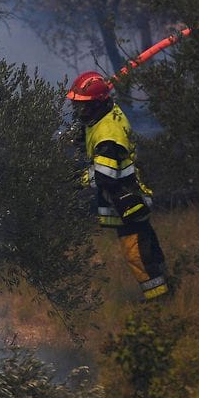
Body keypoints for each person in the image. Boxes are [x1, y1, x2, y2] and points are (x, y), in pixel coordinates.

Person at [66, 71, 169, 301]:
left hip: (128, 201)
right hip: (128, 197)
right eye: (78, 106)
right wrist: (76, 137)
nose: (80, 111)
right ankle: (166, 287)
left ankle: (159, 301)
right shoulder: (105, 113)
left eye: (84, 106)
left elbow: (105, 177)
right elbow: (90, 130)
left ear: (97, 104)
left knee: (138, 254)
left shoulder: (108, 136)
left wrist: (75, 179)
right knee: (147, 249)